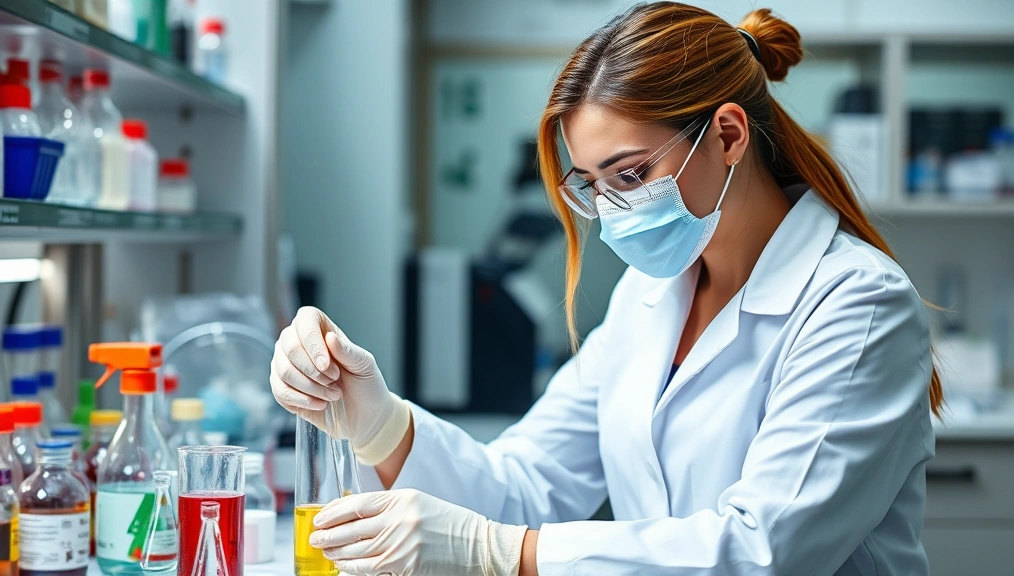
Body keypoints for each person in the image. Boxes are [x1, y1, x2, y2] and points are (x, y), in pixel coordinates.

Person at [270, 3, 942, 575]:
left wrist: (506, 553)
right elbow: (524, 489)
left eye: (629, 174)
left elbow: (759, 550)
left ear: (729, 136)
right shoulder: (648, 299)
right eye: (592, 186)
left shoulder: (858, 305)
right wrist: (378, 420)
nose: (614, 211)